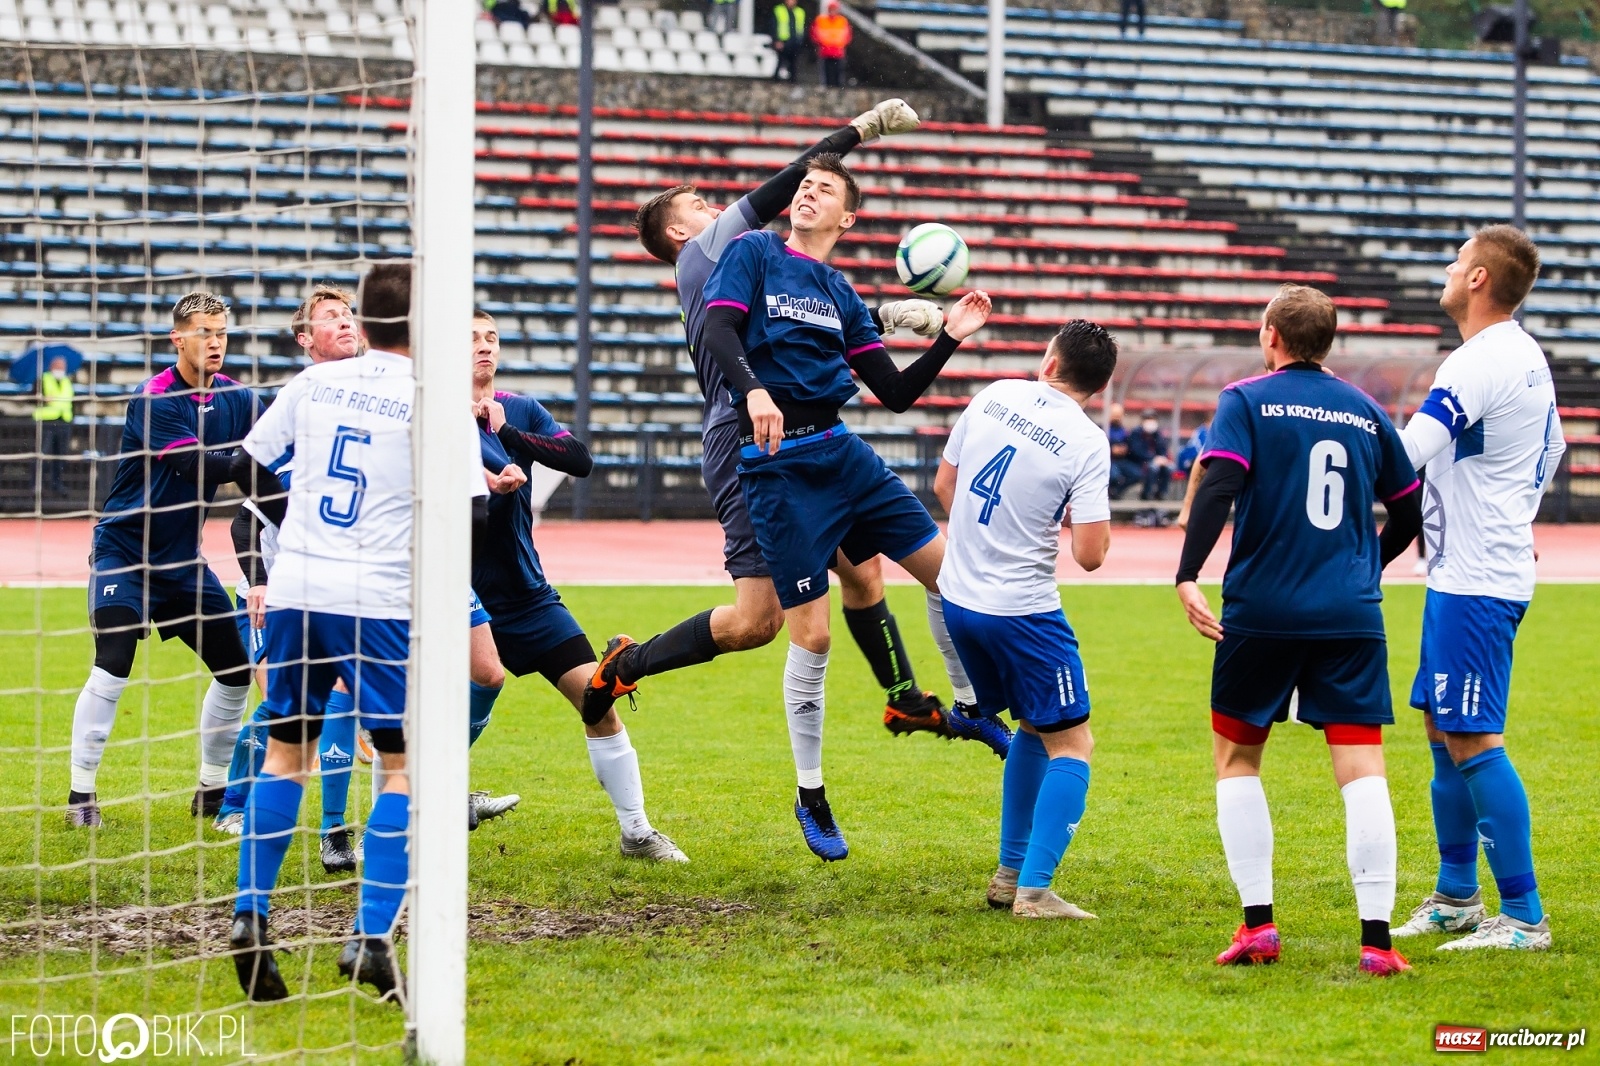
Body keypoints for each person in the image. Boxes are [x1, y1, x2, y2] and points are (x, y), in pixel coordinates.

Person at [619, 101, 1007, 758]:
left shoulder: (756, 259)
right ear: (682, 235)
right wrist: (863, 129)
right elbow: (788, 186)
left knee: (866, 575)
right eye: (700, 205)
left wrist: (883, 319)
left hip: (804, 435)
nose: (717, 208)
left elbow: (801, 323)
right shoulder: (711, 253)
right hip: (748, 436)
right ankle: (630, 662)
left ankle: (906, 701)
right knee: (757, 622)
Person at [695, 154, 996, 861]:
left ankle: (970, 706)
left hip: (842, 454)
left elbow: (892, 392)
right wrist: (754, 391)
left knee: (951, 576)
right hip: (777, 467)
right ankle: (811, 794)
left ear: (848, 218)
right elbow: (716, 331)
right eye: (804, 185)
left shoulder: (838, 290)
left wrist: (949, 336)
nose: (808, 191)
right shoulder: (755, 253)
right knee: (815, 637)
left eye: (825, 189)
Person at [228, 262, 493, 1002]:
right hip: (376, 597)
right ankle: (371, 938)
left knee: (287, 753)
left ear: (366, 323)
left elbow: (241, 467)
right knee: (405, 766)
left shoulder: (311, 383)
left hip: (298, 588)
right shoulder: (432, 400)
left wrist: (300, 524)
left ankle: (251, 916)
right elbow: (470, 516)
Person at [1174, 284, 1423, 976]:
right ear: (1328, 342)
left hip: (1262, 610)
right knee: (1363, 766)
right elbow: (1409, 512)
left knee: (1238, 760)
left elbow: (1218, 484)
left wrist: (1187, 573)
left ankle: (1259, 926)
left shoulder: (1246, 400)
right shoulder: (1369, 411)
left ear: (1271, 336)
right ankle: (1377, 941)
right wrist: (1364, 565)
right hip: (1350, 612)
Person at [1389, 226, 1564, 952]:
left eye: (1459, 262)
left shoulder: (1477, 361)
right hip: (1468, 569)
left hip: (1476, 578)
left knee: (1471, 734)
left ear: (1481, 279)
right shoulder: (1524, 355)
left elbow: (1405, 454)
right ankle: (1457, 896)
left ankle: (1524, 917)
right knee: (1442, 729)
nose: (1450, 270)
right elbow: (1554, 449)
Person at [470, 310, 689, 863]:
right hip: (459, 597)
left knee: (598, 700)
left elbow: (581, 460)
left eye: (492, 337)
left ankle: (637, 833)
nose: (484, 347)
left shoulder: (517, 409)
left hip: (528, 596)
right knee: (429, 715)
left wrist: (507, 432)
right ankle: (430, 801)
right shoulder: (425, 415)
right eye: (471, 338)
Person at [934, 320, 1116, 920]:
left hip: (959, 600)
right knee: (1074, 744)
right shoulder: (1088, 442)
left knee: (1036, 730)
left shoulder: (995, 393)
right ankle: (1036, 891)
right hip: (1023, 610)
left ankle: (1009, 876)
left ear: (1049, 361)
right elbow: (1090, 555)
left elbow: (944, 484)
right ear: (1100, 384)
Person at [66, 292, 260, 829]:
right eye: (205, 333)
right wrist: (255, 460)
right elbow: (201, 468)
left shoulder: (238, 398)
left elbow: (276, 444)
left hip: (181, 561)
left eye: (222, 332)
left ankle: (210, 790)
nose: (216, 343)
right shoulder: (153, 398)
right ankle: (81, 797)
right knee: (114, 660)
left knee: (236, 670)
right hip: (124, 553)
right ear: (179, 339)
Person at [34, 353, 74, 497]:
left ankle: (56, 485)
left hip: (63, 421)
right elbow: (33, 396)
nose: (60, 369)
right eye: (58, 366)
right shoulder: (43, 379)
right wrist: (43, 398)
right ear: (52, 366)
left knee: (60, 456)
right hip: (47, 422)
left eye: (62, 366)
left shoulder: (67, 381)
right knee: (42, 454)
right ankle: (36, 485)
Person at [1126, 409, 1173, 518]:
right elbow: (1136, 451)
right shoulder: (1136, 433)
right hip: (1139, 463)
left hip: (1156, 463)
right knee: (1153, 468)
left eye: (1152, 419)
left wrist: (1162, 459)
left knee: (1169, 468)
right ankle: (1147, 497)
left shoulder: (1158, 434)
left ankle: (1161, 495)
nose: (1150, 422)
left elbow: (1162, 449)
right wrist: (1153, 458)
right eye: (1148, 419)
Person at [811, 0, 851, 87]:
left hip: (838, 52)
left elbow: (848, 36)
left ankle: (838, 89)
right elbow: (814, 34)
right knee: (826, 74)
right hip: (825, 51)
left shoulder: (842, 21)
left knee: (838, 73)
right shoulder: (821, 20)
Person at [1104, 403, 1139, 499]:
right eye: (1115, 415)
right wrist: (1111, 449)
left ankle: (1117, 492)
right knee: (1114, 476)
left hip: (1121, 460)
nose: (1117, 418)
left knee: (1136, 474)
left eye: (1118, 415)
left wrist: (1125, 449)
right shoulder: (1103, 429)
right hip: (1109, 460)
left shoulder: (1124, 431)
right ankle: (1109, 492)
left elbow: (1131, 447)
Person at [771, 0, 804, 81]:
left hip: (795, 41)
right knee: (780, 62)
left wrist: (800, 41)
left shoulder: (800, 11)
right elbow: (773, 26)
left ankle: (792, 81)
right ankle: (776, 81)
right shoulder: (779, 10)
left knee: (793, 63)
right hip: (783, 40)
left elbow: (801, 27)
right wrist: (776, 40)